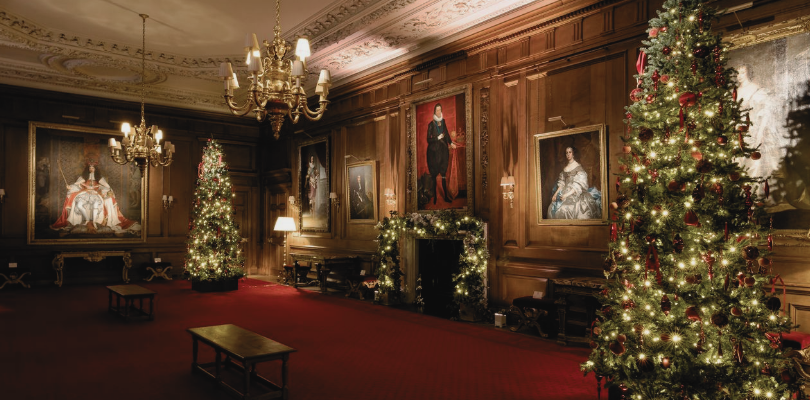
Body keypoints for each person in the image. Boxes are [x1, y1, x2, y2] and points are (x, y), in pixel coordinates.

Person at [51, 162, 140, 233]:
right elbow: (76, 186)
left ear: (95, 169)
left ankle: (94, 222)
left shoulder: (100, 178)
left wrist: (103, 191)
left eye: (93, 168)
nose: (91, 169)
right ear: (88, 169)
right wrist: (70, 187)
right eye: (90, 168)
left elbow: (107, 187)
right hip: (84, 194)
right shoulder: (83, 177)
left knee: (96, 204)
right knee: (79, 204)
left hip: (96, 195)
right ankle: (87, 221)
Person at [735, 63, 783, 186]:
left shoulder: (756, 89)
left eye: (742, 72)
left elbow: (766, 111)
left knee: (754, 162)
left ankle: (753, 195)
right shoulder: (735, 91)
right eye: (737, 72)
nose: (739, 76)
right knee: (736, 162)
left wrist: (761, 131)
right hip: (736, 130)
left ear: (748, 73)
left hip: (752, 129)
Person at [547, 146, 602, 219]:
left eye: (570, 152)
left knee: (568, 209)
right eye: (566, 153)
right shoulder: (565, 168)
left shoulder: (578, 167)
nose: (568, 154)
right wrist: (555, 194)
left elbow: (577, 185)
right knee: (552, 207)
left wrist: (566, 195)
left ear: (573, 154)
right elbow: (562, 183)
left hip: (574, 193)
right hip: (564, 191)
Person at [426, 103, 457, 204]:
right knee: (434, 175)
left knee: (443, 174)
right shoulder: (431, 124)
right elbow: (428, 139)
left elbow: (447, 134)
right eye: (437, 110)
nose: (438, 112)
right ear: (434, 111)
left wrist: (451, 143)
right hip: (433, 153)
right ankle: (435, 197)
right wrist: (437, 138)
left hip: (443, 151)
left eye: (440, 110)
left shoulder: (443, 122)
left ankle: (446, 197)